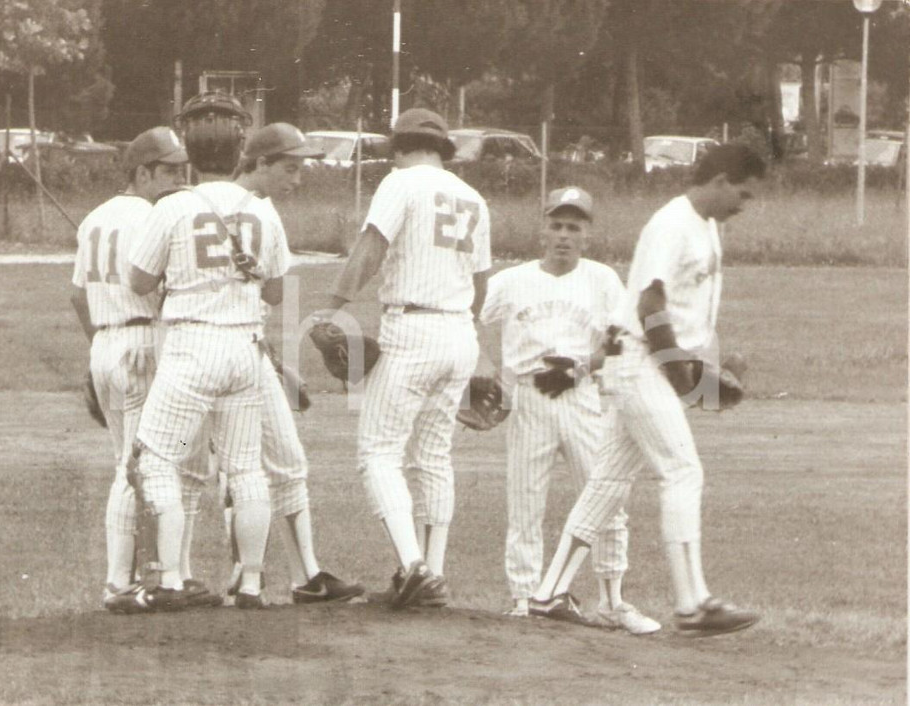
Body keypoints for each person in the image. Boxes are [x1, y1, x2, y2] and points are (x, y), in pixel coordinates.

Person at [531, 144, 766, 636]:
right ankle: (692, 603)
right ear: (721, 180)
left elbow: (687, 313)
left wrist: (701, 368)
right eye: (742, 194)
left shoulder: (707, 227)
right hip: (640, 360)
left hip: (649, 361)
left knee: (607, 483)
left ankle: (548, 592)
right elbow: (650, 305)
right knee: (682, 470)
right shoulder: (672, 223)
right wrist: (683, 378)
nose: (744, 205)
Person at [317, 108, 492, 608]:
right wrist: (469, 343)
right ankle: (432, 573)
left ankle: (414, 568)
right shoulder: (473, 197)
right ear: (443, 149)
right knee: (433, 457)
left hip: (412, 328)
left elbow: (371, 249)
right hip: (459, 331)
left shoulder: (400, 183)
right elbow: (481, 281)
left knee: (378, 451)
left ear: (398, 147)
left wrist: (333, 306)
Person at [124, 91, 288, 611]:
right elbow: (276, 292)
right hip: (244, 350)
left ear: (189, 152)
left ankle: (171, 580)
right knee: (245, 469)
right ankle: (253, 583)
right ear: (240, 149)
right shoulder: (262, 210)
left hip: (193, 348)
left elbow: (138, 280)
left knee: (156, 460)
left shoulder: (174, 205)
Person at [478, 187, 661, 635]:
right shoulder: (511, 280)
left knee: (606, 498)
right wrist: (485, 372)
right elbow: (466, 315)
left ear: (587, 235)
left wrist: (583, 366)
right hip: (529, 396)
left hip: (581, 396)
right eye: (556, 225)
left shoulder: (601, 279)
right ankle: (525, 598)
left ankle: (612, 601)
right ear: (542, 230)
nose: (563, 235)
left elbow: (623, 338)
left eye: (573, 227)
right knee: (525, 503)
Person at [71, 126, 225, 611]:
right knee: (141, 464)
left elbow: (77, 295)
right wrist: (146, 343)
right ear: (141, 173)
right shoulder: (152, 216)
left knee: (143, 460)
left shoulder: (95, 217)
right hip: (144, 345)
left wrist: (100, 348)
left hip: (107, 343)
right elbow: (161, 290)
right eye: (169, 171)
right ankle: (122, 582)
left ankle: (157, 574)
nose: (180, 179)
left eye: (183, 169)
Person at [218, 122, 364, 604]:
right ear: (259, 162)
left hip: (245, 350)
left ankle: (306, 577)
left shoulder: (222, 205)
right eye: (290, 168)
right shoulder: (253, 211)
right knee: (211, 463)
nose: (297, 179)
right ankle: (203, 576)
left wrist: (274, 359)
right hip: (211, 356)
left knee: (284, 461)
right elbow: (275, 292)